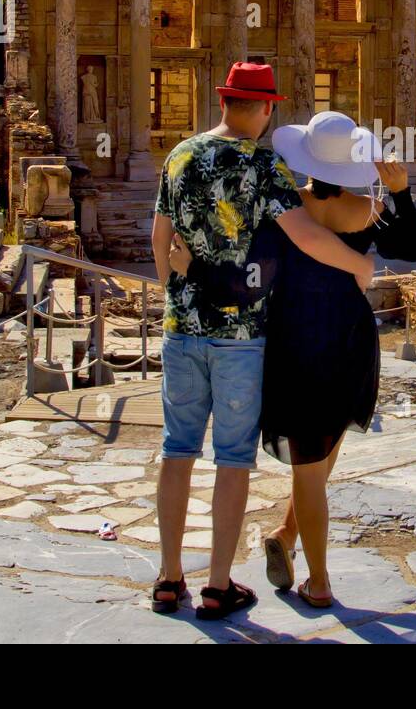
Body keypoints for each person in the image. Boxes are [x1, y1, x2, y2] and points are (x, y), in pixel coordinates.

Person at [149, 64, 375, 621]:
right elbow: (303, 233)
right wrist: (358, 265)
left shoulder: (180, 155)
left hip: (182, 331)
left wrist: (175, 288)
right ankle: (218, 585)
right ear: (267, 109)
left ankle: (168, 578)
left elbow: (160, 238)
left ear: (225, 101)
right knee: (231, 460)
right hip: (241, 337)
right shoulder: (264, 165)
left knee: (176, 451)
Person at [187, 110, 416, 608]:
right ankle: (307, 567)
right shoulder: (367, 210)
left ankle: (300, 554)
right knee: (317, 458)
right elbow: (413, 248)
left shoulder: (285, 207)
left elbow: (249, 264)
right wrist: (401, 192)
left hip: (293, 335)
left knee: (312, 460)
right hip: (348, 336)